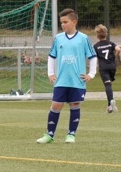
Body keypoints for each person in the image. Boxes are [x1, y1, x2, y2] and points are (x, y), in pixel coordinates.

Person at [36, 8, 97, 143]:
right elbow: (52, 56)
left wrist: (91, 74)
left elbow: (93, 56)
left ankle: (71, 135)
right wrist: (51, 73)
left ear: (74, 22)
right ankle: (49, 135)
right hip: (61, 80)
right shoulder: (58, 38)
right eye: (61, 22)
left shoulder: (83, 38)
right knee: (56, 105)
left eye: (65, 22)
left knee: (75, 104)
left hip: (77, 80)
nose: (62, 25)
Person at [93, 24, 121, 113]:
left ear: (97, 35)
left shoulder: (96, 46)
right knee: (109, 84)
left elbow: (93, 57)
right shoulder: (111, 43)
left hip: (103, 68)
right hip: (112, 66)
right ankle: (109, 106)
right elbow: (118, 49)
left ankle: (110, 102)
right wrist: (115, 57)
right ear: (106, 34)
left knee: (107, 85)